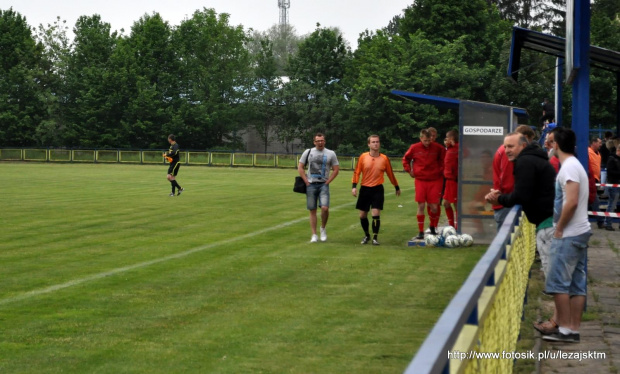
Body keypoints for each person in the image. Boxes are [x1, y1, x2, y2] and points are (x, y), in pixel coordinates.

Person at [541, 127, 592, 343]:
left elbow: (570, 202)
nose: (549, 146)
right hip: (581, 231)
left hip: (569, 233)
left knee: (558, 284)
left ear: (557, 145)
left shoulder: (568, 168)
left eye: (550, 142)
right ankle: (572, 329)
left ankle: (563, 329)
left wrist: (559, 227)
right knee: (576, 284)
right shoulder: (575, 165)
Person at [485, 132, 556, 277]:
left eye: (511, 146)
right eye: (505, 147)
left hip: (547, 224)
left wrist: (499, 199)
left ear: (523, 145)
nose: (507, 151)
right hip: (550, 221)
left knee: (555, 279)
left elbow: (521, 196)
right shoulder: (534, 159)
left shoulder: (525, 162)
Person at [352, 135, 401, 245]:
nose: (375, 144)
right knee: (362, 215)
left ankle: (375, 238)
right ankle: (367, 235)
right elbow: (357, 172)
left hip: (377, 189)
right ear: (368, 144)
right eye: (373, 142)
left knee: (375, 213)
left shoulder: (384, 158)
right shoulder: (363, 157)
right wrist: (354, 186)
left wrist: (396, 186)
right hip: (365, 188)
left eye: (377, 142)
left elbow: (390, 174)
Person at [491, 125, 536, 229]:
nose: (530, 144)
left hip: (506, 201)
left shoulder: (506, 151)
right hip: (506, 204)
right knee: (507, 241)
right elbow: (507, 180)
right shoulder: (509, 154)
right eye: (531, 140)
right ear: (524, 137)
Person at [298, 133, 340, 243]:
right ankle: (314, 234)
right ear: (314, 142)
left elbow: (336, 169)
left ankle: (323, 228)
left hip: (323, 184)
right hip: (311, 184)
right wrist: (306, 181)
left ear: (324, 141)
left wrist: (328, 182)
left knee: (325, 208)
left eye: (322, 140)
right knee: (312, 210)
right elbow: (300, 167)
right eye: (318, 141)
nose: (320, 143)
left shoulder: (330, 153)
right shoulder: (308, 152)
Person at [402, 128, 444, 239]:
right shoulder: (414, 148)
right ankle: (420, 231)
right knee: (421, 204)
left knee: (434, 207)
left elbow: (445, 159)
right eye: (425, 140)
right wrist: (409, 169)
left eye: (429, 140)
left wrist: (440, 170)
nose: (427, 143)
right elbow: (405, 159)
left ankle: (432, 226)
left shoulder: (437, 148)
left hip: (435, 180)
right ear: (421, 138)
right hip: (420, 179)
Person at [443, 130, 459, 229]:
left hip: (454, 180)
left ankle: (457, 226)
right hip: (448, 179)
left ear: (452, 138)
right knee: (446, 203)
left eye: (447, 137)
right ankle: (451, 226)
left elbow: (466, 155)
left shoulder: (458, 147)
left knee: (456, 203)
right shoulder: (449, 148)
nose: (445, 139)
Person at [588, 136, 604, 228]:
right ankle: (600, 221)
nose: (601, 144)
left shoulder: (598, 154)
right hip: (591, 179)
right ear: (593, 143)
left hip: (595, 179)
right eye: (599, 142)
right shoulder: (588, 152)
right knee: (595, 201)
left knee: (592, 201)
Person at [604, 146, 620, 231]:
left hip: (617, 184)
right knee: (612, 204)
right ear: (618, 150)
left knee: (613, 204)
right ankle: (608, 223)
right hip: (613, 184)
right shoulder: (612, 159)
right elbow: (610, 172)